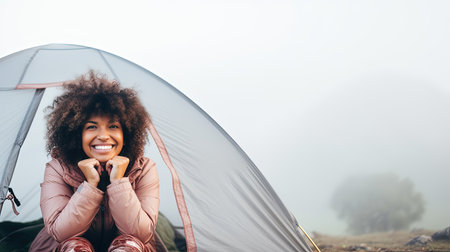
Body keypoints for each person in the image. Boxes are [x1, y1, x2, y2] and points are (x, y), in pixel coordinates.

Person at [30, 71, 160, 252]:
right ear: (76, 133)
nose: (103, 136)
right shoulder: (58, 168)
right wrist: (90, 185)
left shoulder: (144, 168)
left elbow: (142, 233)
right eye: (91, 127)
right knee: (74, 246)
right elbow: (61, 233)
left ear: (127, 132)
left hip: (128, 246)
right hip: (66, 246)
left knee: (130, 245)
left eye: (113, 126)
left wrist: (118, 183)